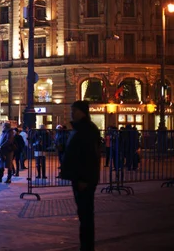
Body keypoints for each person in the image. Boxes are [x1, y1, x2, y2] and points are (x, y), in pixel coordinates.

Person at [61, 100, 101, 251]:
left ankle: (87, 247)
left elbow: (90, 156)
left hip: (84, 179)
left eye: (75, 111)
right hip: (78, 177)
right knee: (83, 214)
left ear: (83, 111)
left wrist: (85, 179)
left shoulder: (87, 129)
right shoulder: (78, 128)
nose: (72, 113)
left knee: (86, 214)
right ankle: (85, 245)